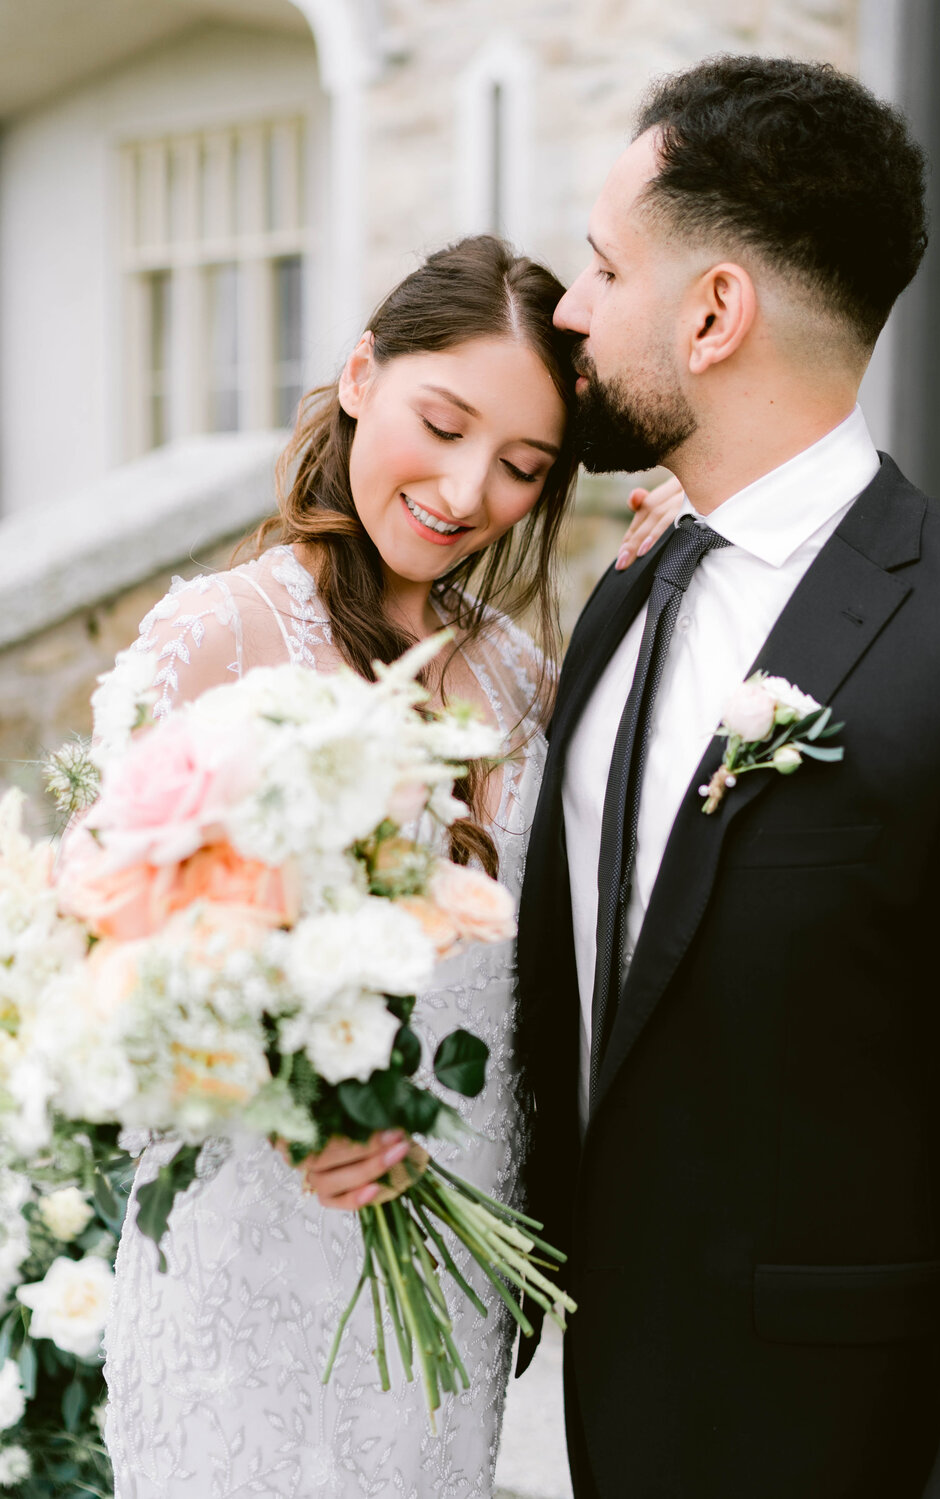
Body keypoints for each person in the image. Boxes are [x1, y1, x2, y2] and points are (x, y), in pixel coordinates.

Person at [101, 234, 680, 1498]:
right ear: (362, 372)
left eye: (522, 466)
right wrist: (274, 1102)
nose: (468, 489)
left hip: (450, 1268)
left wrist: (684, 556)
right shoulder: (218, 638)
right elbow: (103, 974)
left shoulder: (526, 685)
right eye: (443, 422)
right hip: (251, 1261)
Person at [516, 55, 940, 1499]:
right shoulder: (628, 586)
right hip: (572, 1418)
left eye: (606, 268)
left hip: (837, 1443)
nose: (569, 310)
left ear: (715, 312)